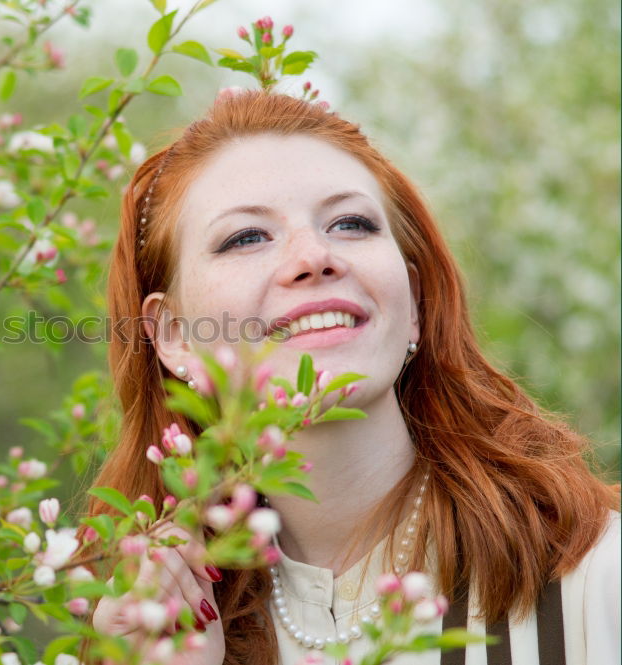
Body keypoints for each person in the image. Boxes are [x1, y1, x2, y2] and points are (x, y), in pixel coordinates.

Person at [88, 91, 620, 665]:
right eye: (246, 236)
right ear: (172, 336)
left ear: (413, 301)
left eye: (351, 223)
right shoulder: (156, 629)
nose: (314, 256)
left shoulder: (595, 579)